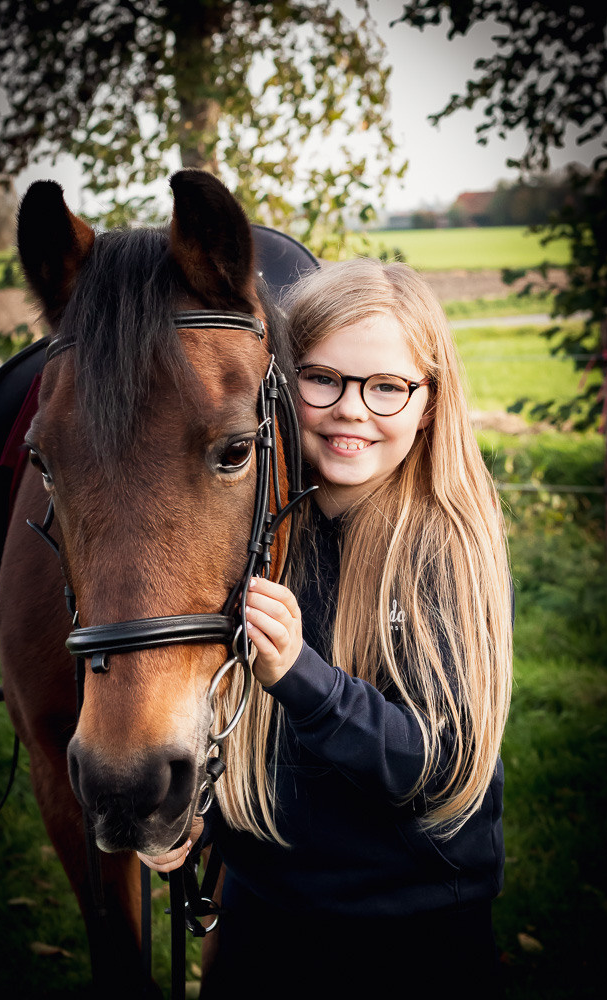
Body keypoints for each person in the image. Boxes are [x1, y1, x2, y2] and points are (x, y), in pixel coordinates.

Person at [139, 258, 513, 999]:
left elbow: (437, 764)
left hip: (409, 929)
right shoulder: (256, 537)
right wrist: (199, 820)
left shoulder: (442, 543)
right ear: (278, 387)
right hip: (264, 914)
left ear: (428, 403)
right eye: (323, 379)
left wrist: (301, 678)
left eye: (386, 387)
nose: (352, 408)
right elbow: (237, 724)